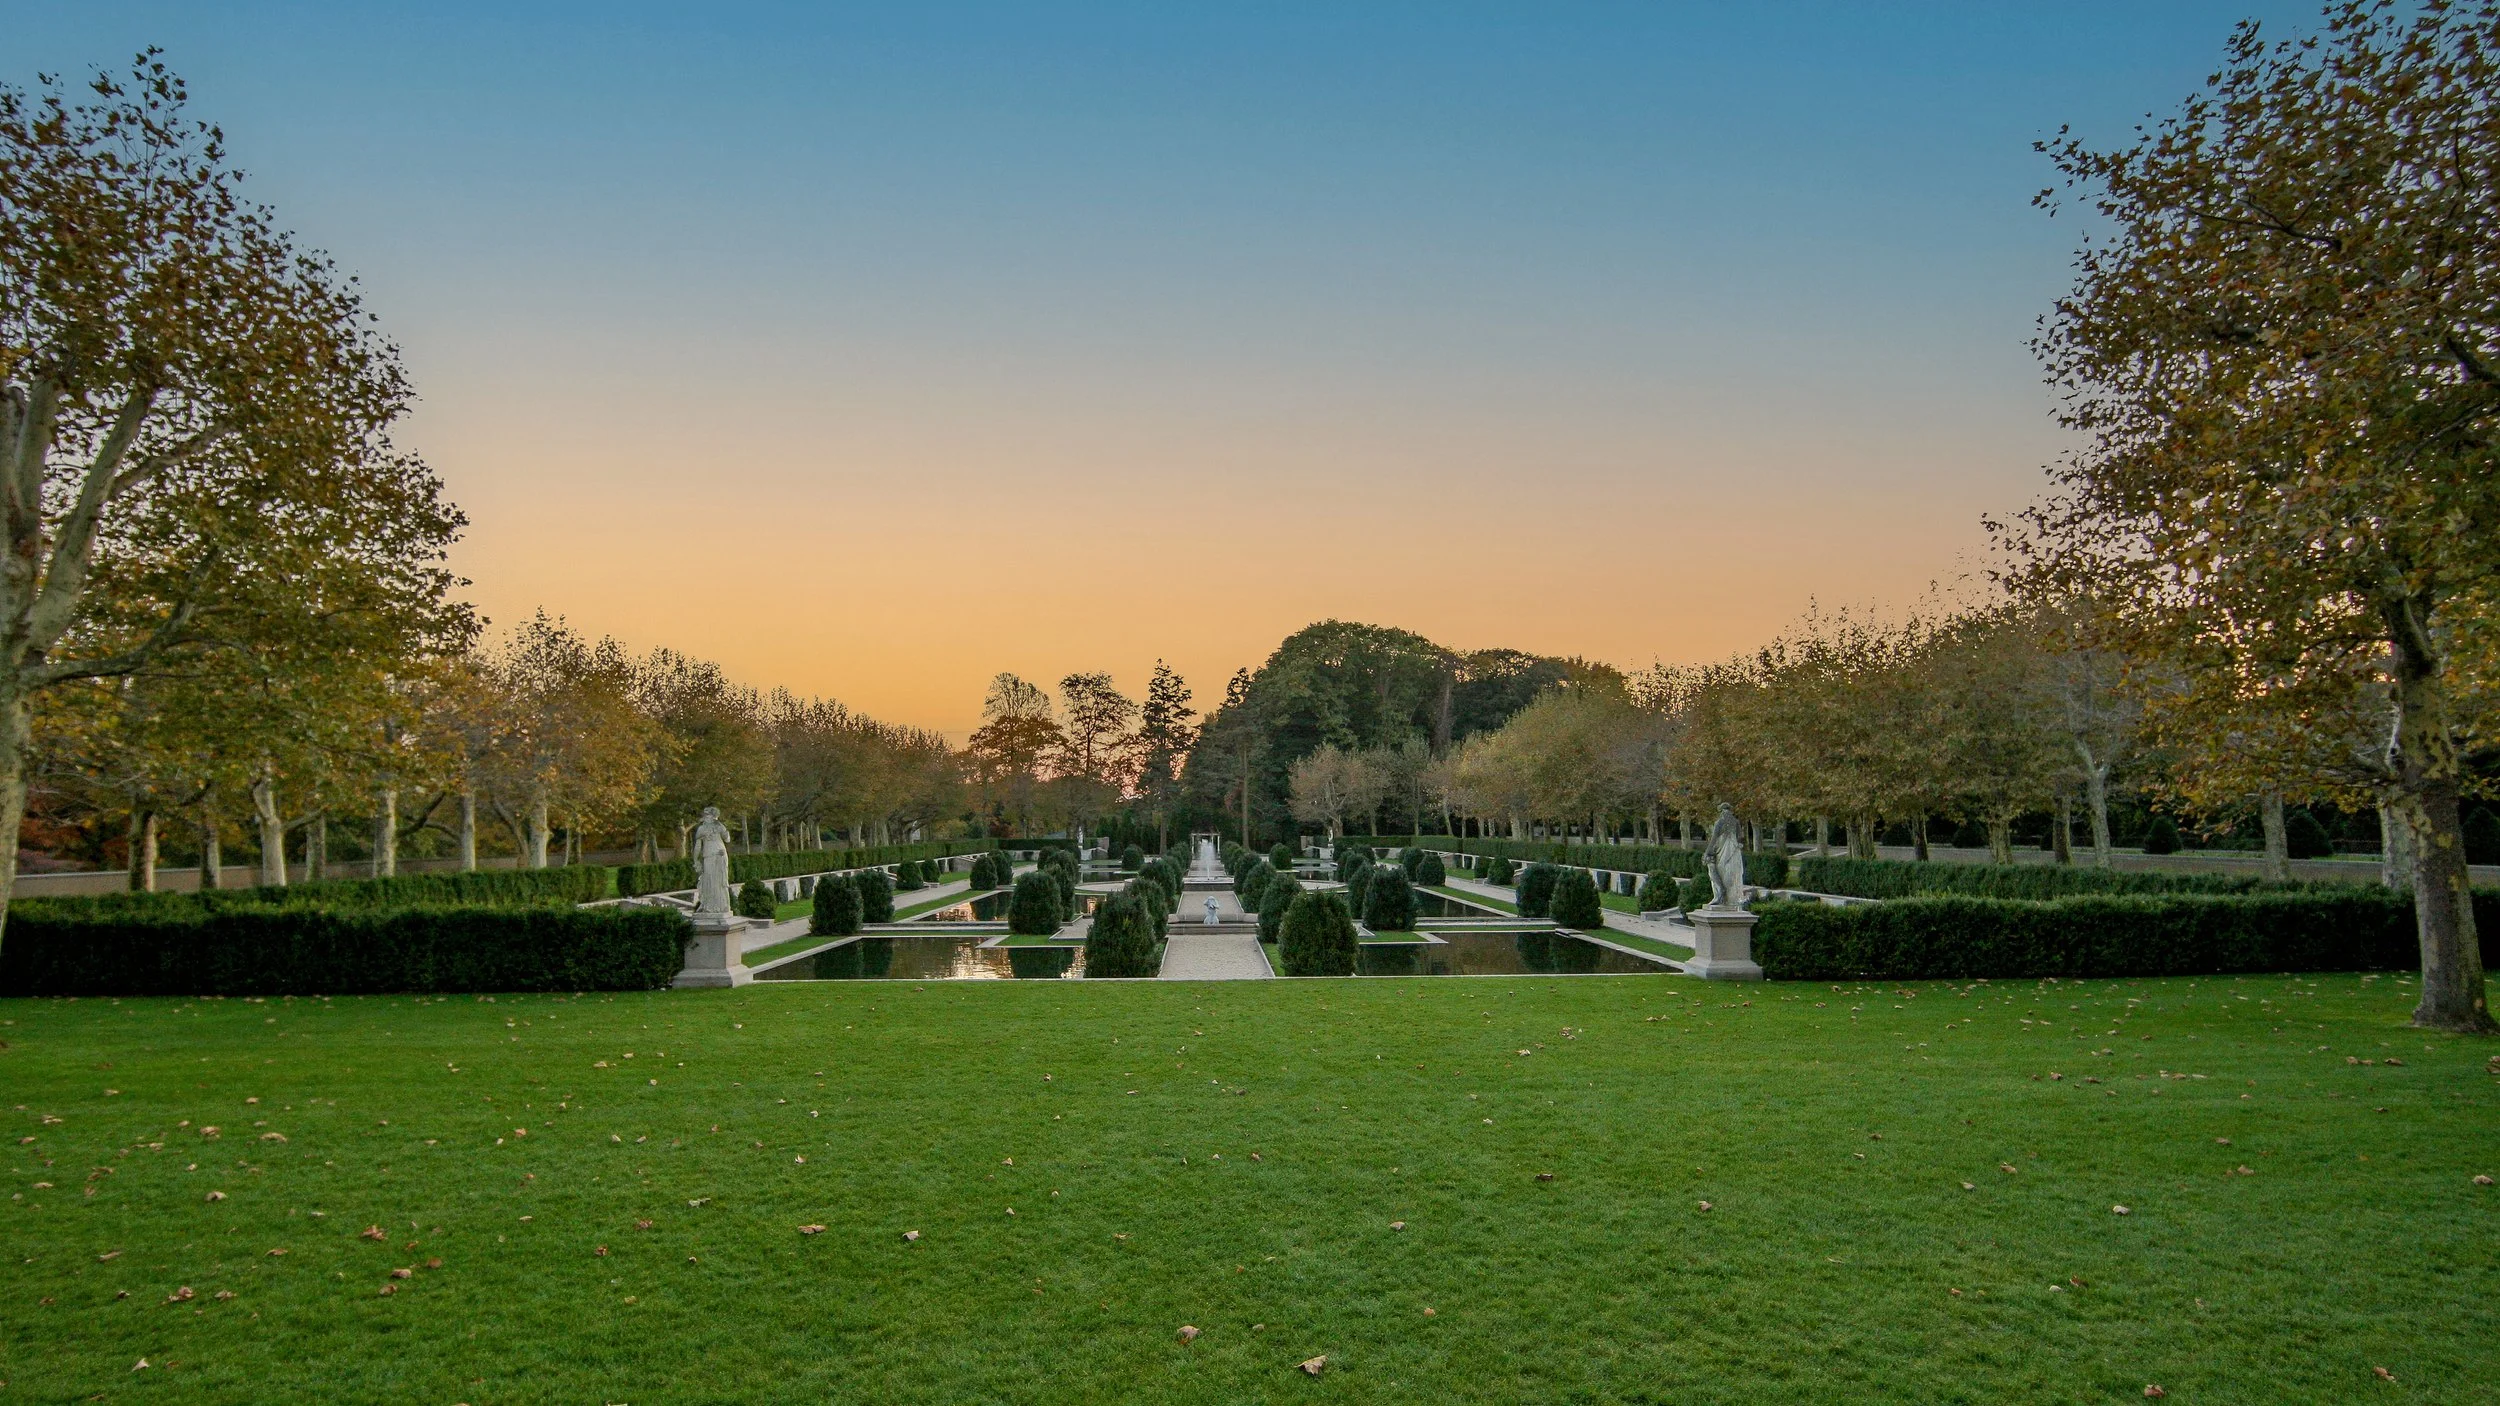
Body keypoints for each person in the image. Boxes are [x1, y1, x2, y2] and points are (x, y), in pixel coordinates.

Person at [692, 806, 733, 916]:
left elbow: (727, 839)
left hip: (719, 855)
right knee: (710, 880)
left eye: (709, 815)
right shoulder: (702, 829)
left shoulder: (718, 826)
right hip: (709, 855)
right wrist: (695, 860)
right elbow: (697, 846)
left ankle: (721, 906)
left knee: (719, 881)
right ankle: (710, 906)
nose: (706, 817)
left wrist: (722, 828)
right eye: (706, 815)